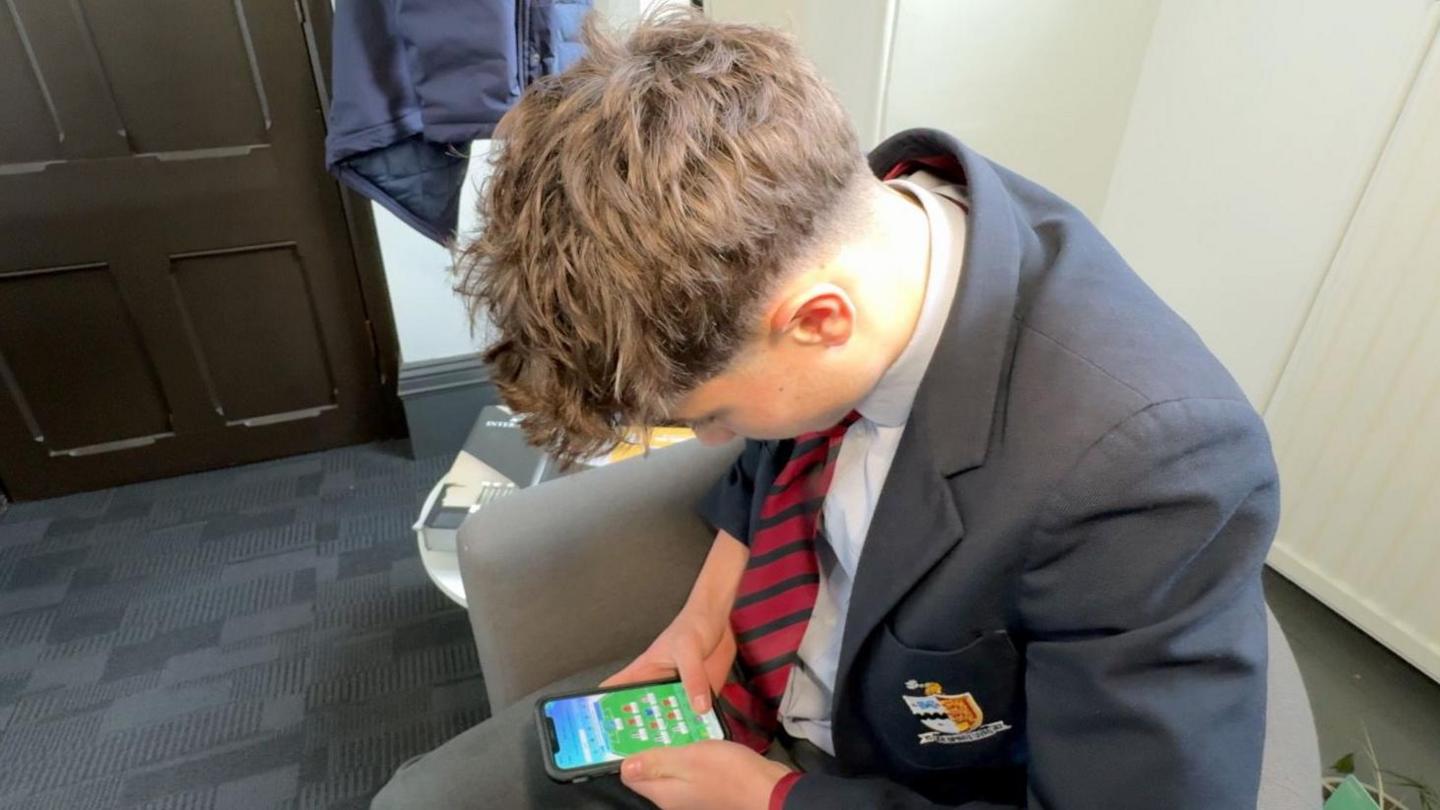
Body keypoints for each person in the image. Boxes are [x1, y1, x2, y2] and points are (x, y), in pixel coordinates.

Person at [373, 10, 1279, 810]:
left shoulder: (1153, 471)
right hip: (744, 695)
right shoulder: (831, 223)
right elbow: (774, 457)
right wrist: (706, 615)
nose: (719, 443)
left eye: (712, 416)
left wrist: (774, 798)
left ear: (819, 321)